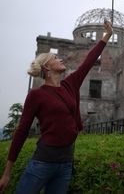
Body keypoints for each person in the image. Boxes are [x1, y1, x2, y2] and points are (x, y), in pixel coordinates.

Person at [0, 20, 113, 194]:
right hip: (42, 163)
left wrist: (107, 36)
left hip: (66, 163)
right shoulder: (36, 95)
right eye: (55, 57)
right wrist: (7, 172)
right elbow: (22, 131)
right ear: (46, 67)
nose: (60, 58)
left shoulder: (70, 85)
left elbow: (88, 62)